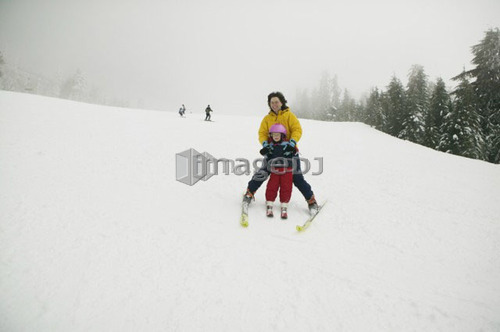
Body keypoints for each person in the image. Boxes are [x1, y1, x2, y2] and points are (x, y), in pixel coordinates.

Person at [243, 91, 319, 215]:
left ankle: (311, 200)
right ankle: (249, 193)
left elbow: (297, 129)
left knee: (297, 177)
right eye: (272, 102)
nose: (274, 104)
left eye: (276, 102)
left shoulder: (289, 115)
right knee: (262, 173)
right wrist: (266, 145)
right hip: (272, 152)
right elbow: (262, 133)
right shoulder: (267, 119)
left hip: (289, 153)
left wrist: (292, 143)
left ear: (282, 102)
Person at [260, 123, 296, 219]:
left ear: (282, 135)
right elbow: (268, 156)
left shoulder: (287, 144)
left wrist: (292, 149)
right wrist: (265, 151)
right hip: (275, 170)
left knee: (286, 187)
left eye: (278, 134)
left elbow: (295, 151)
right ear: (271, 136)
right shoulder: (270, 146)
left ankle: (284, 205)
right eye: (274, 135)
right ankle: (269, 203)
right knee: (272, 186)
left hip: (287, 170)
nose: (276, 137)